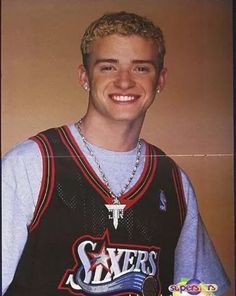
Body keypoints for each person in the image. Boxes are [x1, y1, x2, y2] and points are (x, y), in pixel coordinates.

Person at [2, 11, 230, 296]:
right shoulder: (31, 165)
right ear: (84, 77)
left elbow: (199, 290)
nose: (125, 82)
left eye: (141, 68)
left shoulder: (173, 181)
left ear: (160, 80)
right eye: (108, 67)